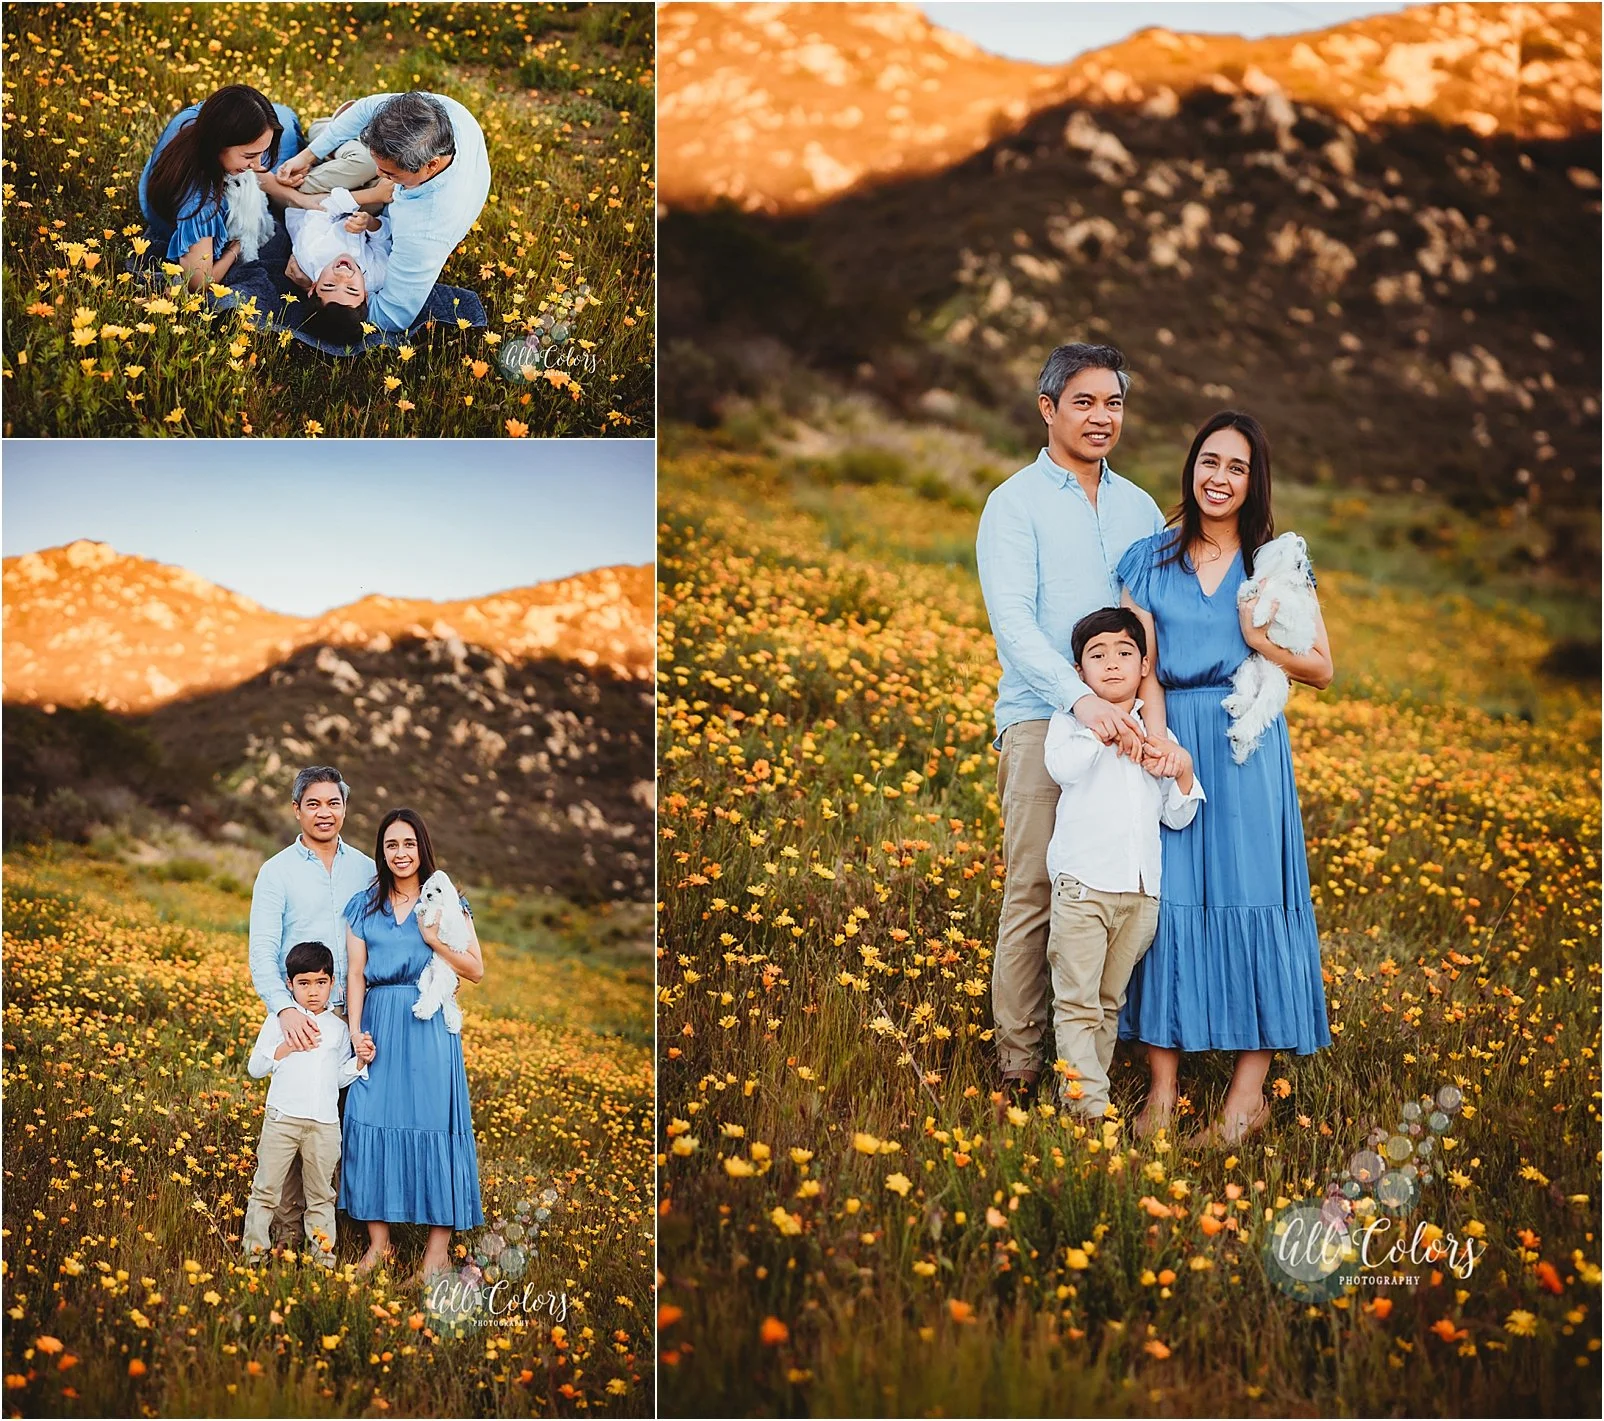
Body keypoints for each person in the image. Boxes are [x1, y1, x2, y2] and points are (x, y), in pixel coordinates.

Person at [1115, 410, 1335, 1145]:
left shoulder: (1274, 564)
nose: (1219, 477)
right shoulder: (1147, 559)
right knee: (1168, 903)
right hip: (1171, 741)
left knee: (1252, 899)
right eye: (1210, 461)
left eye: (1236, 467)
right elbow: (1140, 665)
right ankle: (1163, 1091)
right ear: (1191, 467)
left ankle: (1246, 1097)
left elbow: (1323, 670)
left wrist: (1256, 638)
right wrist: (1159, 741)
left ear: (1253, 482)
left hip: (1247, 751)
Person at [976, 342, 1167, 1114]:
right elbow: (1014, 625)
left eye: (1113, 403)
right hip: (1039, 719)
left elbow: (1151, 623)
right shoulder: (1013, 502)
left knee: (1118, 891)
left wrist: (1147, 714)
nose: (1101, 417)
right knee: (1036, 890)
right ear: (1048, 408)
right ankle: (1020, 1066)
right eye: (1084, 402)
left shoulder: (1141, 508)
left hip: (1130, 736)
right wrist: (1081, 702)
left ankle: (1089, 1059)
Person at [1041, 608, 1205, 1120]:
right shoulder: (1069, 724)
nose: (1112, 663)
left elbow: (1178, 816)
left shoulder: (1158, 734)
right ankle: (1088, 1110)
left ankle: (1083, 1093)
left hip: (1138, 896)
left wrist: (1181, 770)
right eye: (1098, 655)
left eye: (1124, 653)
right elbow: (1061, 768)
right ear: (1079, 672)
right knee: (1077, 1003)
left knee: (1109, 1003)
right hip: (1084, 888)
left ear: (1143, 666)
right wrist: (1102, 730)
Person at [341, 808, 486, 1280]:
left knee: (433, 1127)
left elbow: (476, 969)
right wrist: (355, 1034)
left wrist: (432, 939)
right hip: (378, 1027)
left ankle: (436, 1254)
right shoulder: (363, 905)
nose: (400, 854)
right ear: (381, 852)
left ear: (422, 847)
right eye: (390, 845)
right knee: (366, 1120)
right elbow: (357, 975)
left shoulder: (445, 900)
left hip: (428, 1032)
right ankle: (379, 1244)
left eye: (408, 844)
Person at [247, 766, 376, 1246]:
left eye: (334, 803)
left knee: (336, 1127)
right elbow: (262, 952)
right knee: (294, 1121)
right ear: (297, 809)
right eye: (315, 804)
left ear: (345, 808)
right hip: (298, 1013)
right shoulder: (276, 871)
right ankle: (285, 1237)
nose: (325, 813)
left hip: (355, 1013)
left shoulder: (365, 868)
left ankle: (337, 1228)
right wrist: (286, 1011)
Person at [272, 90, 490, 331]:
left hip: (383, 209)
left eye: (389, 173)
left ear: (430, 165)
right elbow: (365, 109)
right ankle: (331, 136)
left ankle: (332, 137)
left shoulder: (423, 232)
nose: (379, 174)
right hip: (365, 203)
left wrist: (318, 289)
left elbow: (392, 317)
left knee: (353, 168)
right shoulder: (440, 112)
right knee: (361, 159)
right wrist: (308, 155)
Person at [241, 941, 372, 1267]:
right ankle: (253, 1257)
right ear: (290, 984)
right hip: (282, 1119)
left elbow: (339, 1079)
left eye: (320, 982)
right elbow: (255, 1067)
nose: (313, 991)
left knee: (321, 1196)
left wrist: (359, 1062)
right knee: (266, 1191)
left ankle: (322, 1262)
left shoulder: (338, 1029)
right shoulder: (279, 1020)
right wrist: (285, 1048)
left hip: (324, 1125)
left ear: (332, 983)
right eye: (303, 983)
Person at [138, 84, 303, 290]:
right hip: (171, 202)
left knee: (284, 117)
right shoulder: (200, 206)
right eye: (250, 156)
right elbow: (198, 283)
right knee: (289, 128)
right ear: (218, 143)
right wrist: (236, 249)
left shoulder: (203, 119)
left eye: (262, 152)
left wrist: (298, 198)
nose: (258, 165)